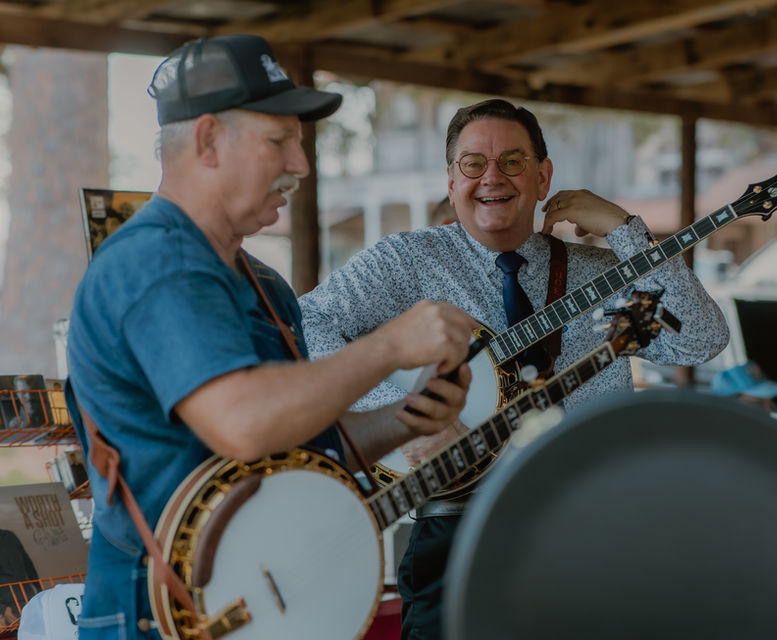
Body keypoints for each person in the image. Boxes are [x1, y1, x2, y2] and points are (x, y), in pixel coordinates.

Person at [64, 34, 476, 639]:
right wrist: (390, 345)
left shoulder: (264, 286)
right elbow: (246, 424)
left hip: (259, 608)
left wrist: (406, 417)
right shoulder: (155, 263)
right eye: (279, 140)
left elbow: (300, 446)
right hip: (163, 617)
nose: (300, 165)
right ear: (207, 140)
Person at [298, 97, 730, 638]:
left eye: (513, 161)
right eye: (473, 163)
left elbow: (701, 340)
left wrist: (625, 229)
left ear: (543, 176)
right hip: (457, 529)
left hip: (592, 527)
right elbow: (302, 328)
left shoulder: (600, 269)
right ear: (451, 180)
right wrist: (401, 415)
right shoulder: (404, 262)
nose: (491, 178)